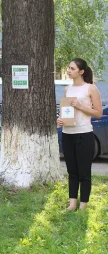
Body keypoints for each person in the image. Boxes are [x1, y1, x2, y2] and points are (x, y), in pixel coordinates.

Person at [57, 58, 102, 211]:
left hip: (84, 134)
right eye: (68, 68)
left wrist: (81, 106)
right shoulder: (67, 89)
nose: (68, 70)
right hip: (67, 134)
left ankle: (83, 206)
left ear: (81, 72)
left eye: (72, 68)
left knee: (84, 172)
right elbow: (67, 112)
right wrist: (61, 119)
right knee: (72, 171)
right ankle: (72, 204)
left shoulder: (90, 88)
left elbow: (98, 113)